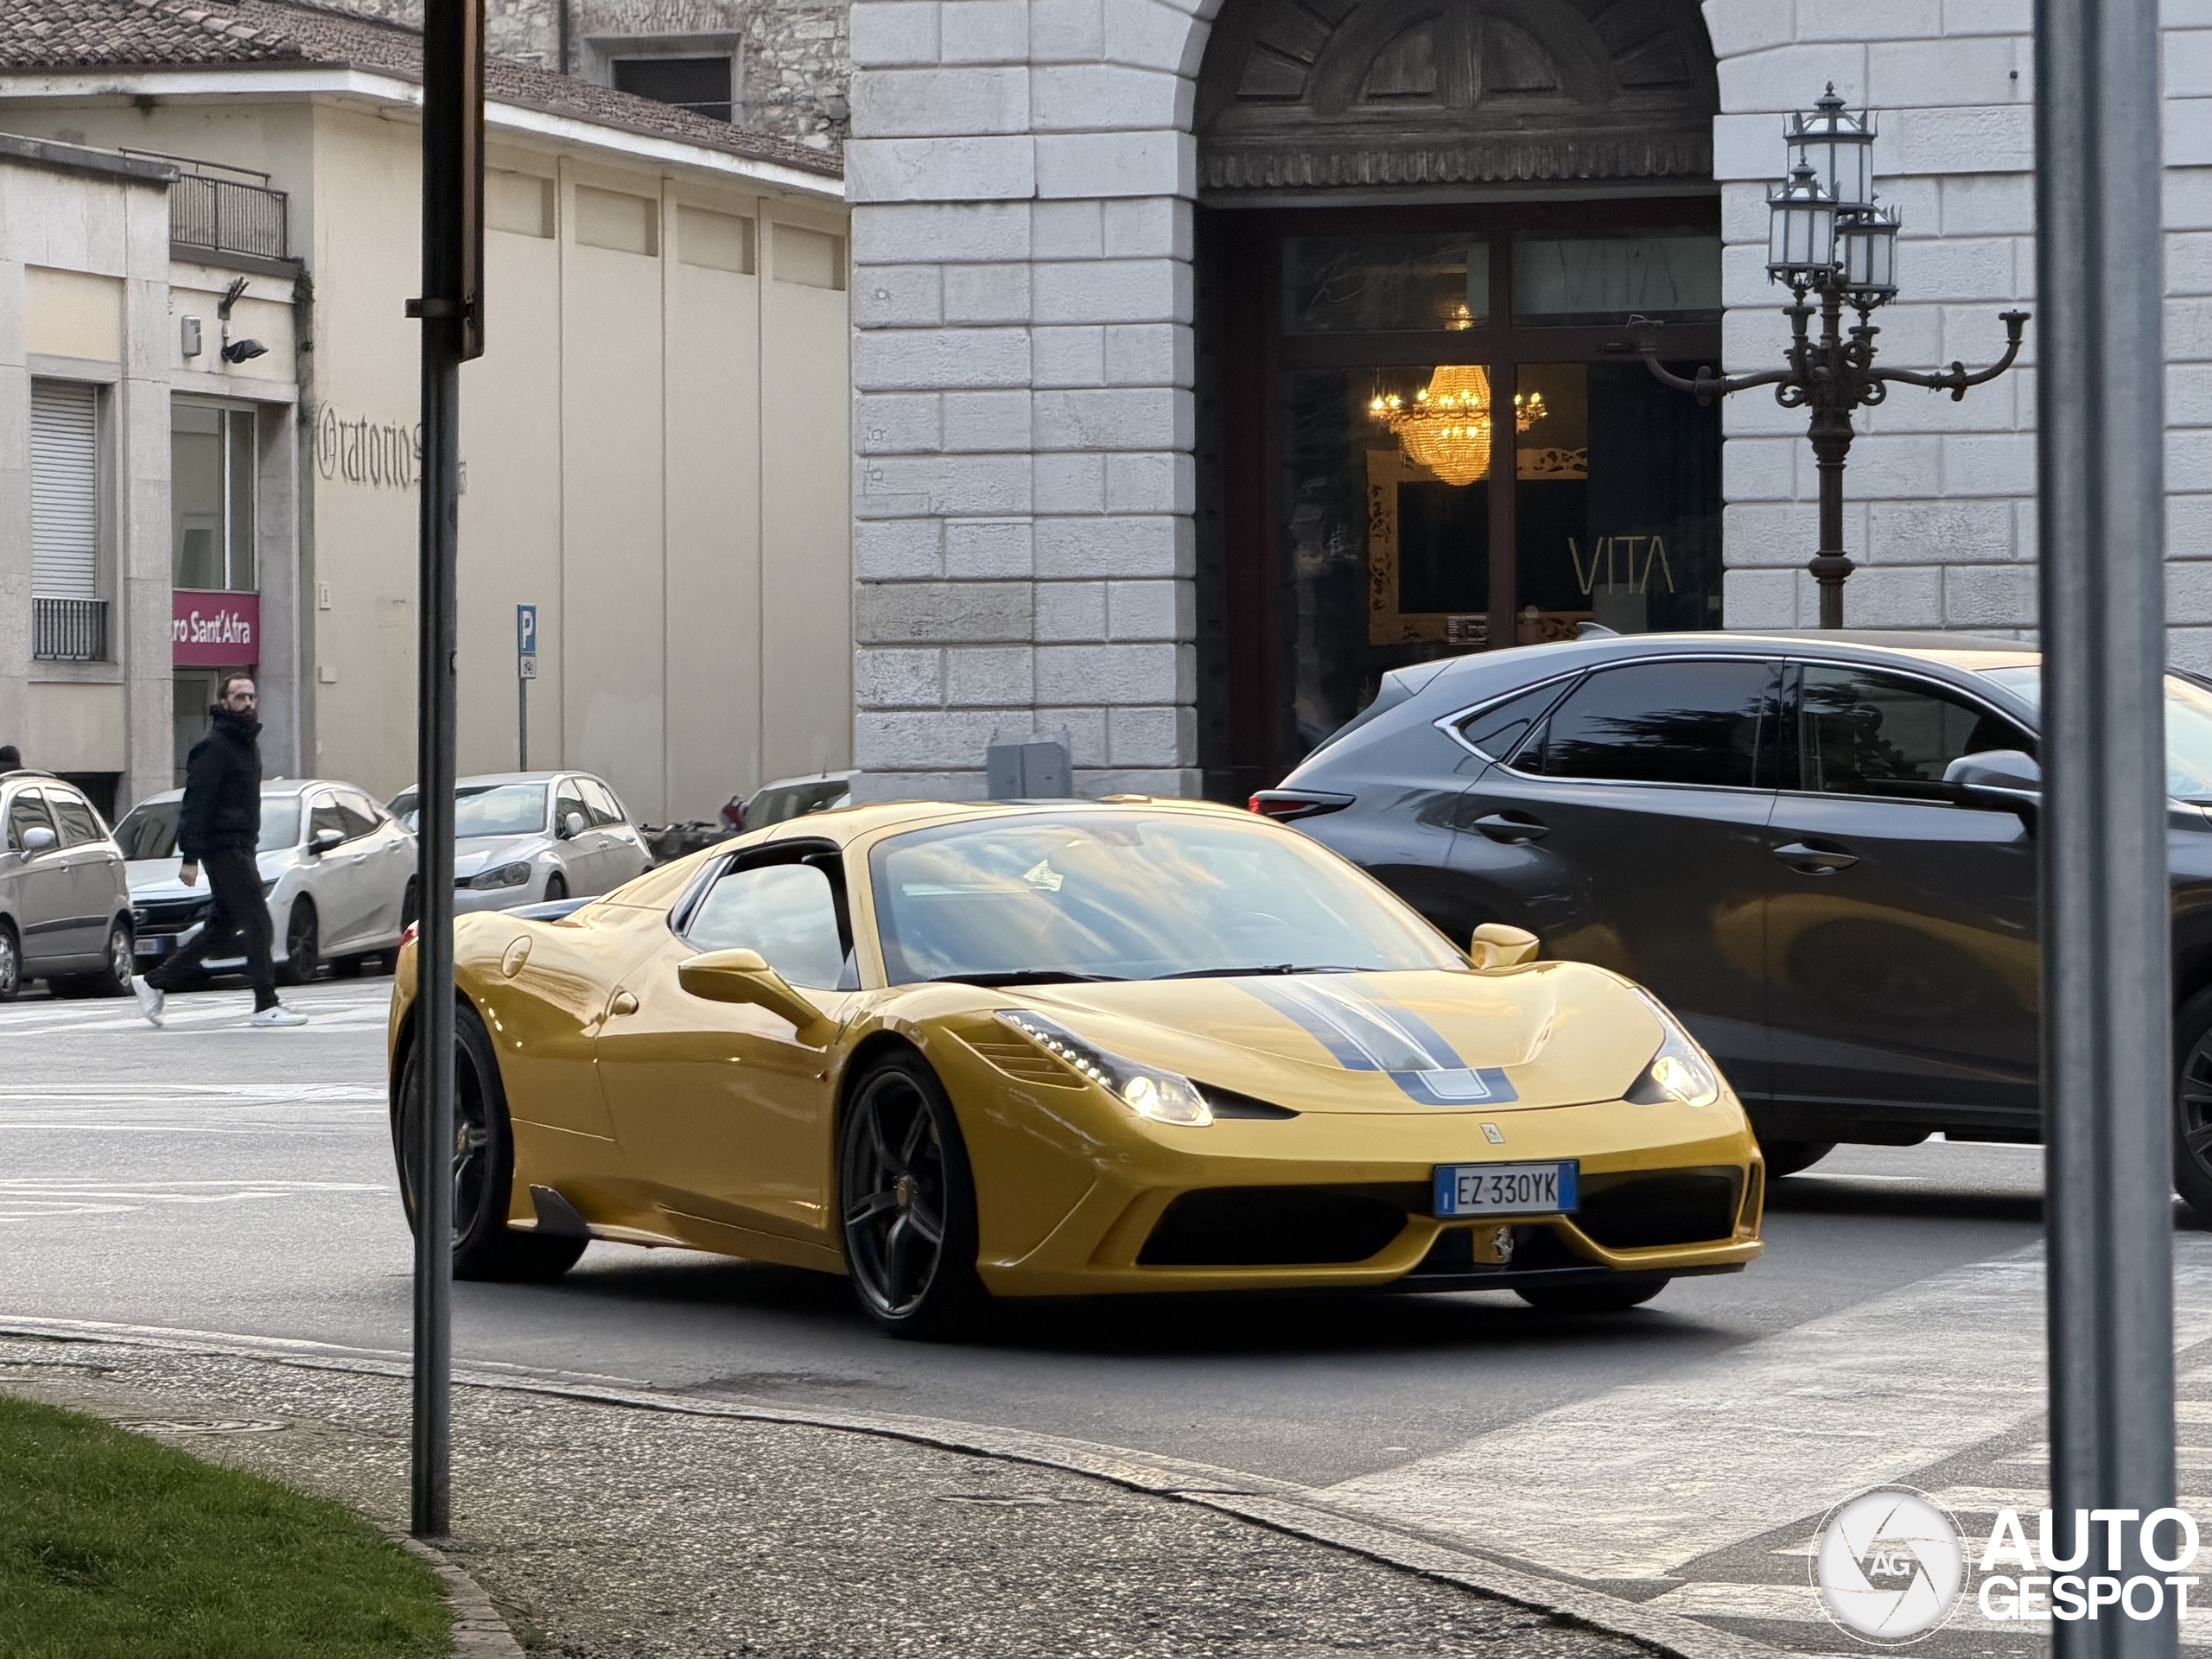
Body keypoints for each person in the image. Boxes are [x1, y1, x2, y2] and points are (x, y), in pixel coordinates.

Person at [133, 673, 307, 1028]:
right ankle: (265, 1004)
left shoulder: (245, 743)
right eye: (239, 696)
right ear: (224, 701)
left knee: (223, 927)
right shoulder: (214, 746)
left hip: (242, 845)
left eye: (251, 696)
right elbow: (197, 802)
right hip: (223, 847)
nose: (247, 702)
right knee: (259, 922)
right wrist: (190, 858)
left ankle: (153, 981)